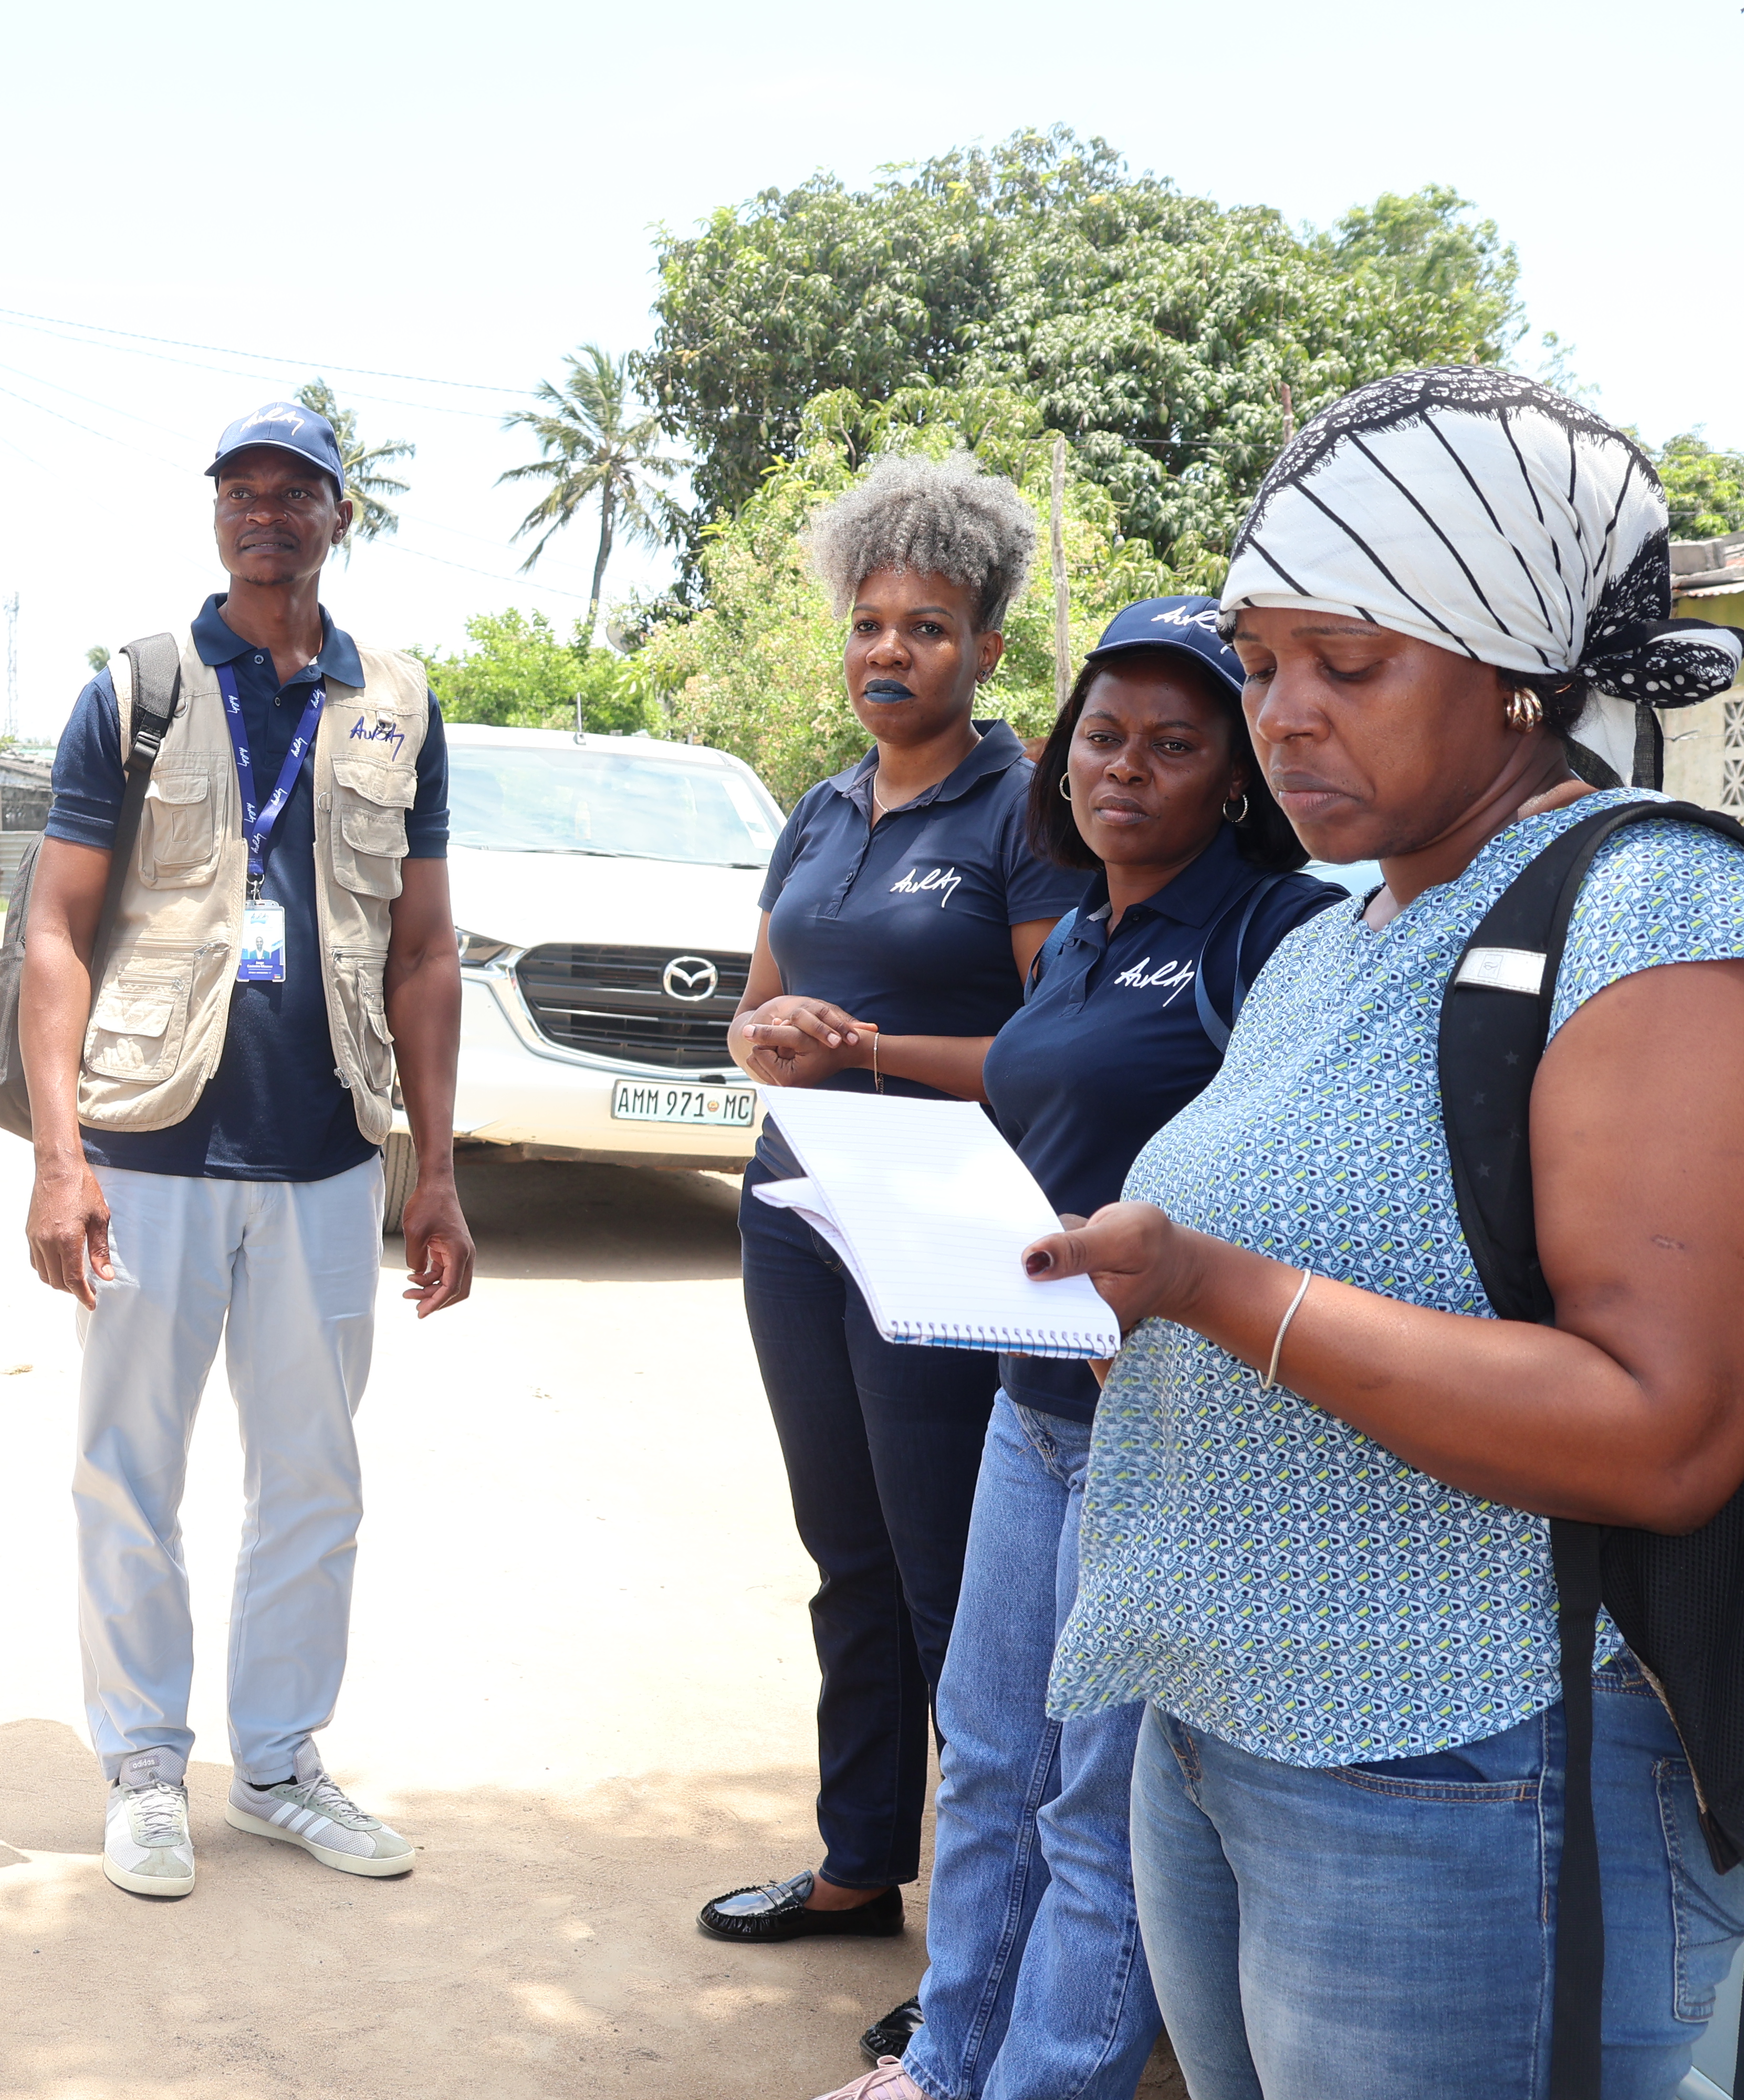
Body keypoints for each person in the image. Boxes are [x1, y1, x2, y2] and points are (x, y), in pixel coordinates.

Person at [1026, 368, 1744, 2098]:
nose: (1286, 718)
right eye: (1261, 669)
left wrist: (1215, 1287)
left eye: (1352, 663)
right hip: (1221, 1726)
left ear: (1511, 676)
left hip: (1474, 1762)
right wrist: (1139, 1301)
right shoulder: (1337, 935)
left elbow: (1665, 1423)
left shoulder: (1665, 914)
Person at [821, 602, 1341, 2099]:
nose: (1128, 770)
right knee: (989, 1766)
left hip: (1168, 1428)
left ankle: (1041, 2082)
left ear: (1236, 774)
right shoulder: (1087, 932)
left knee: (1101, 1813)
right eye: (1103, 737)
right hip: (1030, 1405)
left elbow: (1291, 1172)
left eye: (1176, 745)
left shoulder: (1270, 934)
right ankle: (946, 2059)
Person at [18, 402, 473, 1901]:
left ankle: (277, 1764)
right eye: (240, 490)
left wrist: (440, 1179)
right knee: (127, 1473)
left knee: (315, 1481)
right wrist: (58, 1159)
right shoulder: (138, 690)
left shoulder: (397, 705)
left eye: (296, 491)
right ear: (214, 513)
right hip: (151, 1146)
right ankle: (147, 1764)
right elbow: (56, 930)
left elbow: (423, 954)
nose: (264, 512)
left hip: (328, 1157)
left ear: (344, 515)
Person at [704, 454, 1093, 1948]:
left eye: (927, 628)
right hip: (799, 1213)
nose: (891, 652)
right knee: (846, 1555)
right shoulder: (819, 811)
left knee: (955, 1592)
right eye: (871, 625)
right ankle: (861, 1864)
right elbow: (755, 1014)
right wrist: (775, 1046)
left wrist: (865, 1050)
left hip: (947, 1234)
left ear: (988, 649)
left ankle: (986, 1957)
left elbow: (1059, 1055)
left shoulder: (1025, 813)